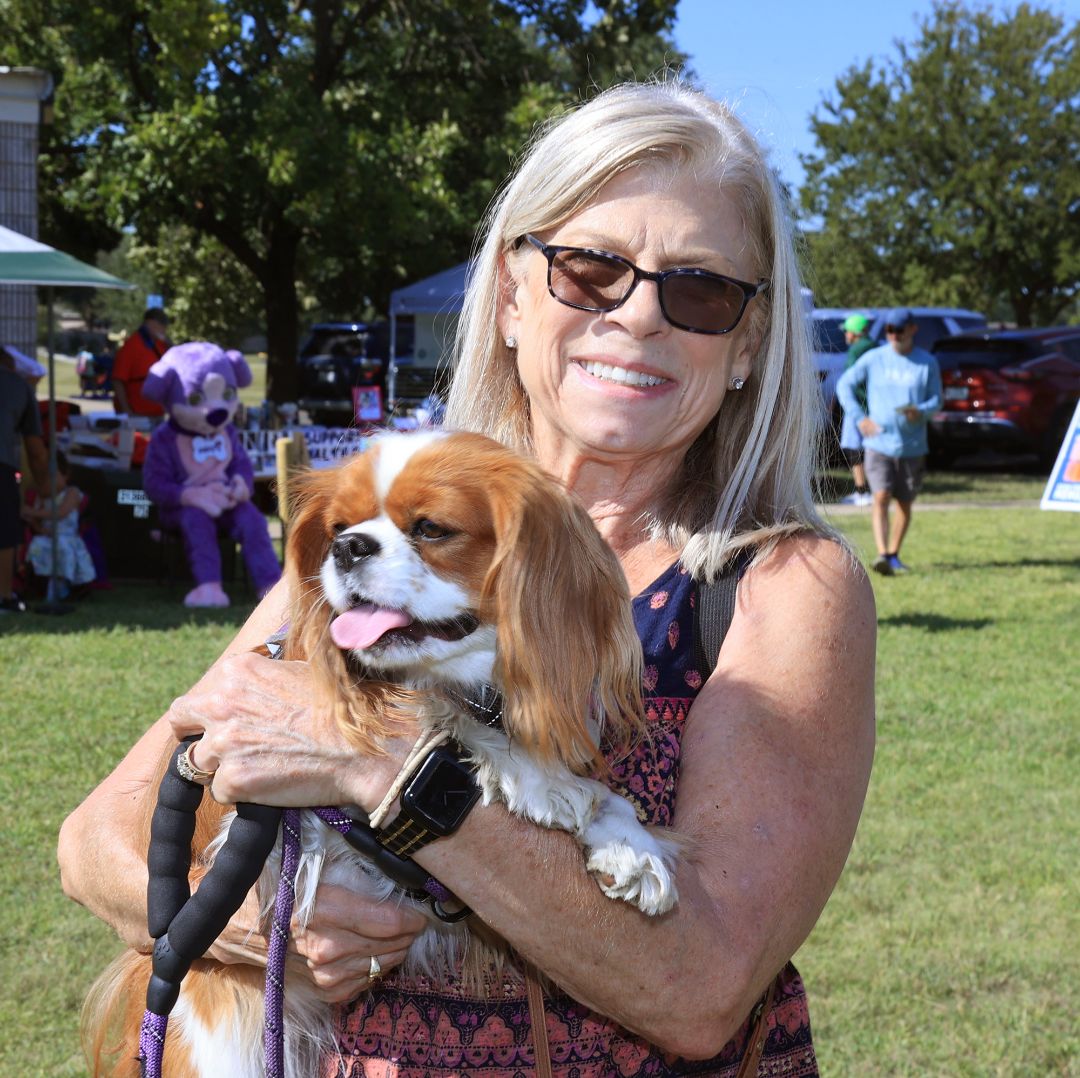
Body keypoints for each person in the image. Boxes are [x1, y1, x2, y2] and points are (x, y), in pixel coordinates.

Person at [58, 82, 876, 1074]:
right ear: (512, 295)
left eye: (698, 290)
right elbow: (96, 842)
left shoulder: (781, 584)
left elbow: (701, 989)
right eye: (590, 270)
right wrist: (262, 924)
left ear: (747, 341)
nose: (638, 317)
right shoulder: (377, 556)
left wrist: (387, 772)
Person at [836, 307, 942, 576]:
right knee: (881, 496)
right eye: (890, 330)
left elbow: (937, 399)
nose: (894, 334)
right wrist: (860, 418)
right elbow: (844, 385)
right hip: (878, 444)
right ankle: (883, 554)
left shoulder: (926, 362)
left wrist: (921, 411)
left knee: (904, 502)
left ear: (912, 330)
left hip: (912, 445)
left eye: (900, 329)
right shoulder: (874, 358)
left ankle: (894, 553)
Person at [0, 350, 49, 613]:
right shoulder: (18, 386)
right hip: (2, 465)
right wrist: (45, 486)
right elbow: (36, 450)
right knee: (4, 531)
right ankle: (3, 596)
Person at [22, 449, 96, 598]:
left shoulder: (72, 492)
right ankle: (40, 583)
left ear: (65, 475)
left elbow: (61, 512)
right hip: (46, 537)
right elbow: (36, 521)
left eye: (52, 477)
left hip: (67, 537)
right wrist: (39, 528)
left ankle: (66, 584)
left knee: (62, 548)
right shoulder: (42, 497)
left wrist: (31, 511)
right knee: (37, 546)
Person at [836, 313, 875, 506]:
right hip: (874, 405)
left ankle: (862, 491)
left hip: (857, 404)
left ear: (855, 333)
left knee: (853, 448)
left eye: (847, 331)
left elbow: (849, 380)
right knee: (873, 449)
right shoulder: (876, 347)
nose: (845, 334)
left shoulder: (857, 350)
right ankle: (875, 490)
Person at [112, 307, 170, 417]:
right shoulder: (131, 346)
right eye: (162, 325)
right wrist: (126, 409)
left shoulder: (161, 345)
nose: (164, 329)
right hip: (136, 413)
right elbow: (118, 381)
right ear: (150, 323)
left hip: (158, 412)